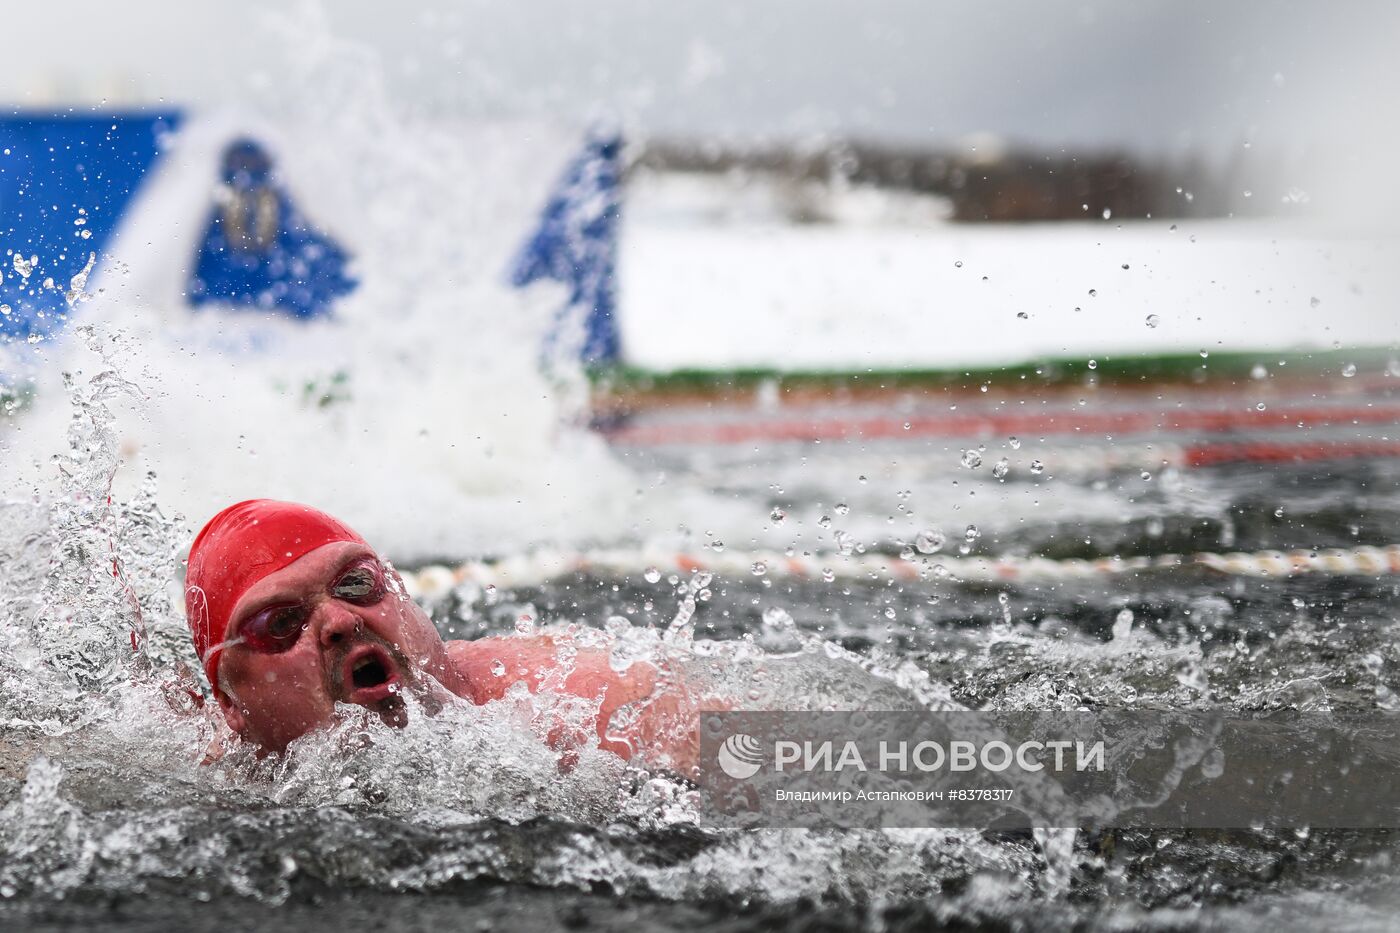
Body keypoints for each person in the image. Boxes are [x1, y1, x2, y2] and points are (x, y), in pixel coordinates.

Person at [184, 499, 698, 768]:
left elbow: (775, 779)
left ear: (405, 597)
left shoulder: (586, 707)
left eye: (357, 583)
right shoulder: (187, 764)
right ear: (230, 702)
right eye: (280, 623)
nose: (341, 621)